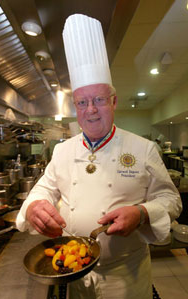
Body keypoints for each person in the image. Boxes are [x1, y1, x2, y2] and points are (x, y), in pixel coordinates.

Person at [16, 14, 182, 299]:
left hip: (126, 277)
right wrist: (33, 206)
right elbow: (44, 187)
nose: (90, 109)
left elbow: (171, 201)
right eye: (82, 102)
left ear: (114, 101)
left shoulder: (143, 149)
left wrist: (142, 213)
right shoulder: (63, 150)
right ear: (76, 106)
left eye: (99, 99)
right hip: (76, 274)